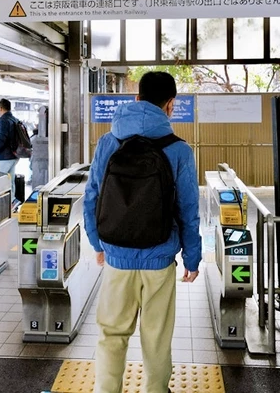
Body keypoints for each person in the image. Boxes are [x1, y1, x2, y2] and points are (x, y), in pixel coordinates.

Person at [83, 71, 201, 393]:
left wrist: (98, 243)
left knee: (111, 335)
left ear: (137, 99)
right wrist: (192, 258)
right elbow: (189, 211)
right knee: (157, 339)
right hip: (160, 260)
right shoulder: (179, 149)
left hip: (117, 258)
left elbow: (91, 197)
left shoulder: (109, 142)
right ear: (171, 105)